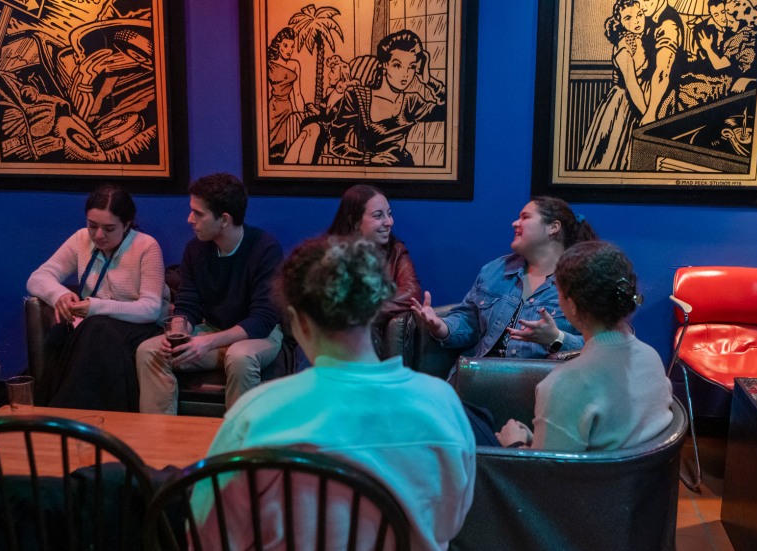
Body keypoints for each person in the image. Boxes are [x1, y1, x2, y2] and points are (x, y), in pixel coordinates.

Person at [190, 236, 475, 550]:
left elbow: (205, 531)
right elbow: (451, 522)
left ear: (298, 321)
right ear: (374, 309)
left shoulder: (257, 413)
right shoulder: (442, 403)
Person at [494, 241, 674, 451]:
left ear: (571, 304)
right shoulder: (651, 358)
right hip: (642, 482)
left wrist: (515, 444)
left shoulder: (564, 385)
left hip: (593, 483)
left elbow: (546, 476)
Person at [135, 173, 283, 413]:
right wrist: (179, 333)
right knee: (149, 351)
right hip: (212, 330)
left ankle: (237, 444)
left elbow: (262, 320)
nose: (189, 219)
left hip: (258, 335)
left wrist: (206, 342)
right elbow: (188, 304)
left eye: (198, 213)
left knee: (240, 356)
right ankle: (159, 438)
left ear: (224, 219)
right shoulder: (196, 249)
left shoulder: (264, 248)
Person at [27, 185, 169, 410]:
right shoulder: (82, 240)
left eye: (109, 228)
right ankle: (56, 412)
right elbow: (37, 278)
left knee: (97, 328)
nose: (98, 235)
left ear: (127, 223)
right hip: (92, 327)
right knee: (65, 333)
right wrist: (61, 295)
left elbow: (150, 309)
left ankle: (65, 412)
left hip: (138, 326)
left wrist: (94, 307)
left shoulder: (146, 246)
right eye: (92, 226)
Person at [411, 197, 597, 362]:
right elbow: (469, 322)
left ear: (553, 227)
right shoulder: (495, 270)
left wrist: (556, 338)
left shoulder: (580, 279)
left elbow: (602, 342)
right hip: (477, 378)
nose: (515, 223)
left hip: (538, 386)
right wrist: (441, 326)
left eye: (525, 217)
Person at [326, 184, 421, 355]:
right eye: (378, 216)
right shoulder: (330, 254)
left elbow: (411, 292)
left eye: (389, 214)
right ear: (354, 222)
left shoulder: (396, 251)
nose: (389, 222)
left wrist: (365, 310)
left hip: (372, 334)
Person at [328, 29, 446, 166]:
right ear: (385, 64)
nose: (406, 74)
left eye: (412, 67)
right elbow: (336, 145)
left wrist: (429, 81)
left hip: (405, 170)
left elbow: (449, 111)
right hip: (370, 173)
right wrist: (368, 158)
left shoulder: (412, 101)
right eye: (397, 65)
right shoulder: (357, 97)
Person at [578, 0, 649, 170]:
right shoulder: (624, 48)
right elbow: (632, 85)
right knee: (612, 152)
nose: (636, 21)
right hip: (623, 103)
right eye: (628, 18)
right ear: (620, 22)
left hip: (639, 97)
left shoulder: (641, 40)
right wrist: (647, 116)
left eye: (639, 15)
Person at [267, 27, 306, 161]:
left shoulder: (295, 65)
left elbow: (297, 94)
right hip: (272, 109)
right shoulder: (269, 64)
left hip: (287, 109)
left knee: (283, 147)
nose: (289, 50)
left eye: (292, 46)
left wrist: (302, 116)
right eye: (285, 45)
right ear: (278, 45)